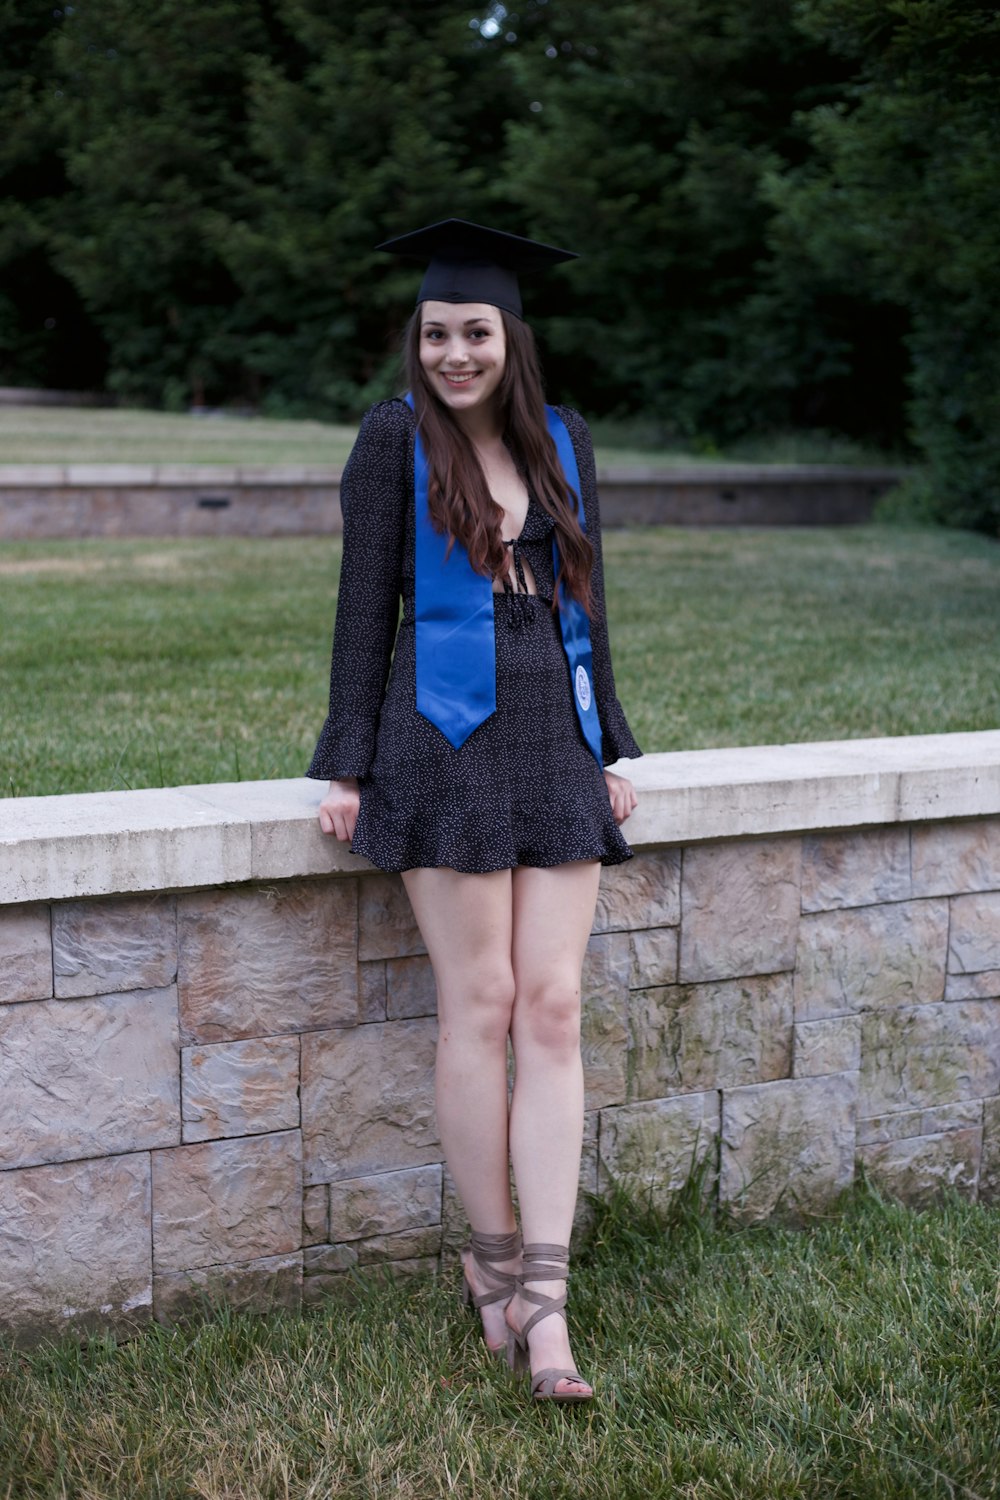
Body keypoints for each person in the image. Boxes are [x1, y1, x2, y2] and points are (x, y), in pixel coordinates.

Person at [307, 219, 641, 1403]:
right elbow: (362, 612)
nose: (455, 352)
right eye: (437, 332)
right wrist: (348, 758)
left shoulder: (562, 439)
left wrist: (612, 740)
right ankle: (488, 1261)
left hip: (552, 726)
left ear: (512, 338)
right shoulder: (390, 442)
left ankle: (544, 1300)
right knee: (483, 1000)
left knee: (551, 1007)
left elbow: (584, 600)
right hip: (438, 730)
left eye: (475, 332)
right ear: (419, 338)